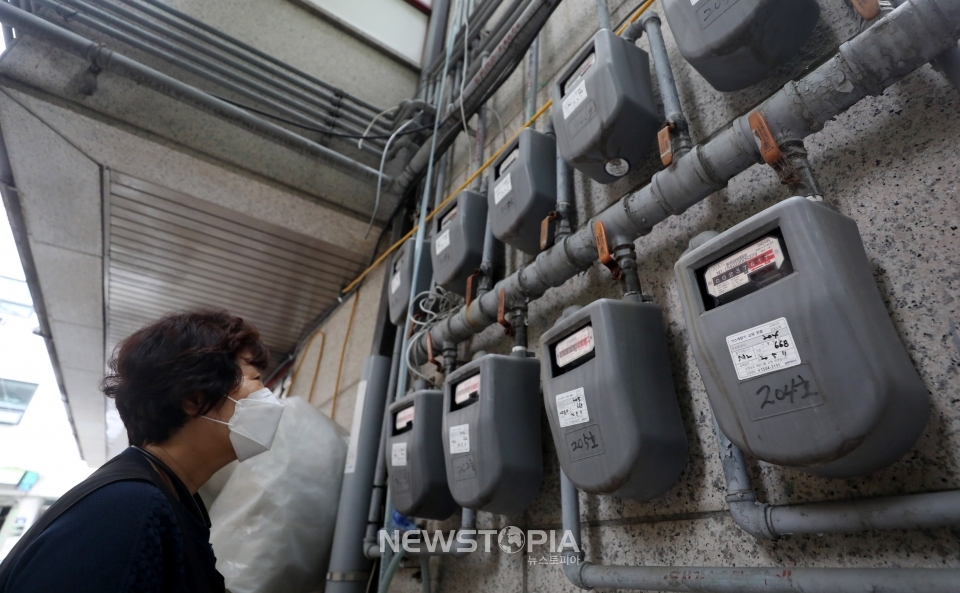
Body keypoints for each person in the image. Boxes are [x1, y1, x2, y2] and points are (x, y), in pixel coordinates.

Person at [0, 310, 284, 593]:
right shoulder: (127, 508)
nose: (267, 395)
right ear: (195, 399)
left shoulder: (171, 500)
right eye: (256, 378)